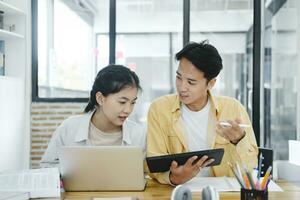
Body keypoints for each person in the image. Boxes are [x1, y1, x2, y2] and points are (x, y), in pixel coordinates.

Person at [147, 41, 258, 185]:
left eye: (191, 82)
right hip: (176, 191)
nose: (182, 87)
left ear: (211, 83)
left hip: (222, 192)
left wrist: (239, 140)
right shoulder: (159, 109)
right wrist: (173, 178)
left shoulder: (233, 108)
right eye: (179, 77)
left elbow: (251, 168)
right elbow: (152, 164)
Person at [41, 64, 145, 167]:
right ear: (100, 98)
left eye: (132, 103)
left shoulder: (138, 134)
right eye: (122, 102)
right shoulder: (69, 128)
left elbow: (145, 174)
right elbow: (47, 167)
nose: (128, 110)